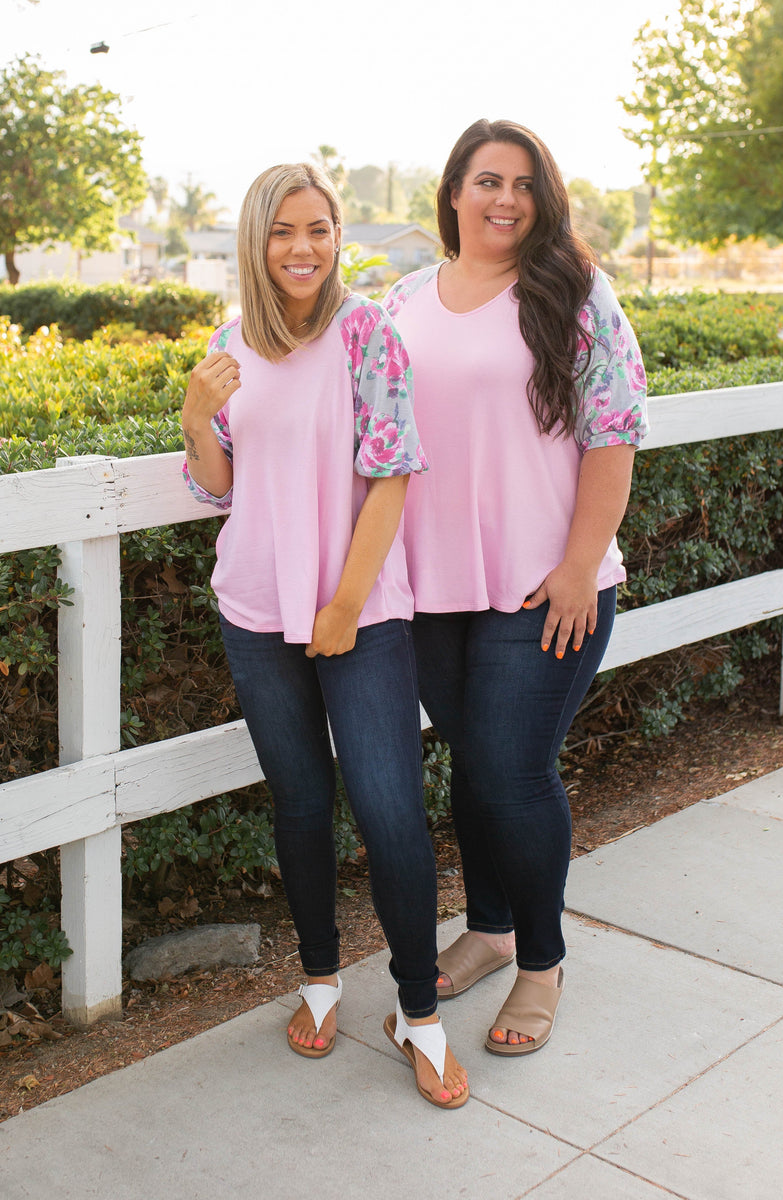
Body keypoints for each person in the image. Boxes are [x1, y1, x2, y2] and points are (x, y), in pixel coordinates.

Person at [181, 162, 468, 1108]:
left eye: (319, 229)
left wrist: (344, 605)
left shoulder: (366, 332)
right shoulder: (227, 344)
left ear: (338, 235)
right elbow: (218, 485)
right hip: (255, 611)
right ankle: (318, 980)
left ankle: (419, 1015)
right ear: (256, 242)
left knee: (389, 812)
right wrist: (194, 414)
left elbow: (392, 474)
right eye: (283, 231)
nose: (304, 248)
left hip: (361, 613)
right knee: (300, 802)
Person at [384, 119, 648, 1056]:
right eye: (488, 180)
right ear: (453, 190)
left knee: (510, 770)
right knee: (471, 761)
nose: (506, 199)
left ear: (544, 201)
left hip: (547, 585)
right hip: (431, 587)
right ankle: (489, 930)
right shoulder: (407, 296)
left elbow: (614, 432)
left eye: (525, 185)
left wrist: (581, 564)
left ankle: (540, 962)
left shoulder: (574, 291)